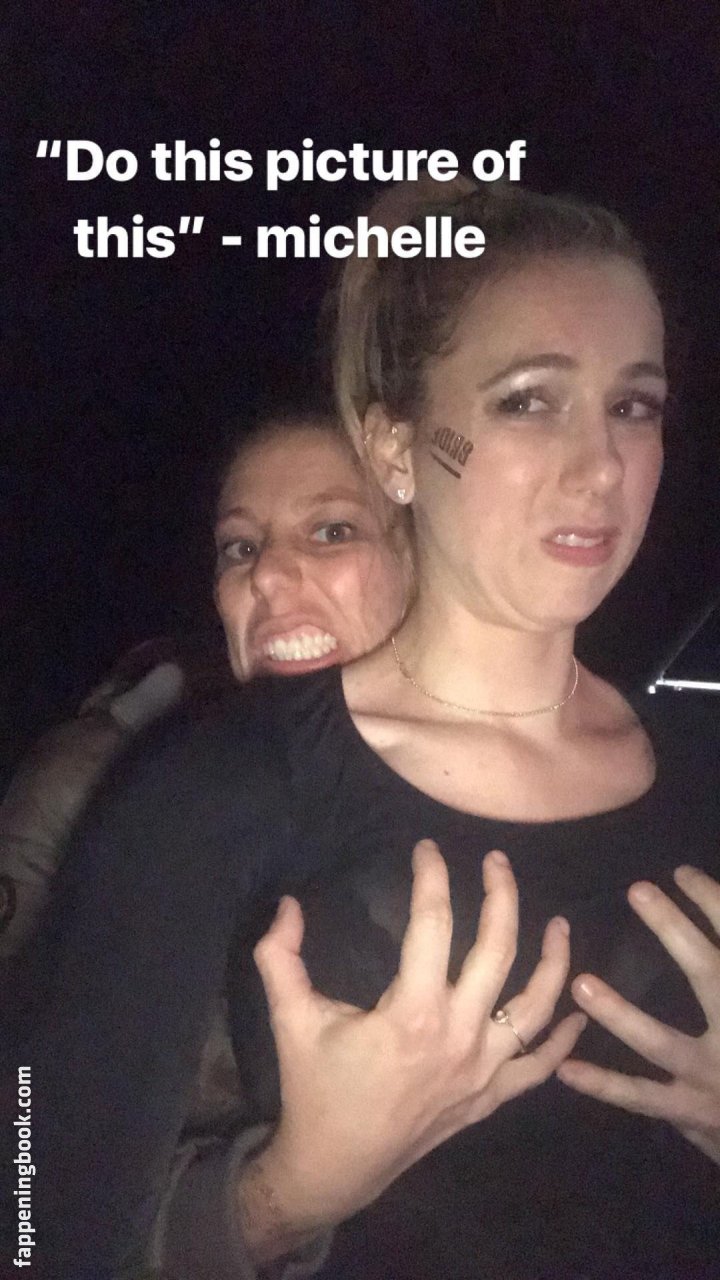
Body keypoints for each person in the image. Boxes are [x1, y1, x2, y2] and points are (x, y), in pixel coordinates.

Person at [27, 181, 719, 1280]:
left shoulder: (703, 766)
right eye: (529, 400)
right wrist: (288, 1190)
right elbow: (29, 1215)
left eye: (633, 405)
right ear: (395, 449)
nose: (601, 466)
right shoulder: (215, 787)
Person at [0, 410, 410, 963]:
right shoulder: (135, 801)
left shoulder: (510, 795)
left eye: (332, 532)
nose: (266, 574)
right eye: (241, 548)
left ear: (420, 560)